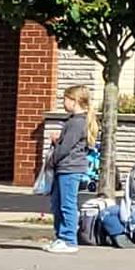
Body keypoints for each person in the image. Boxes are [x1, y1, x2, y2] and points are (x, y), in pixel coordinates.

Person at [43, 85, 96, 254]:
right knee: (57, 203)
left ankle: (68, 239)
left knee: (67, 204)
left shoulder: (76, 122)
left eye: (65, 99)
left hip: (69, 168)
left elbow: (66, 147)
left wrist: (53, 158)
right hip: (66, 167)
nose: (63, 102)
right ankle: (60, 237)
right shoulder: (74, 121)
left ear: (75, 101)